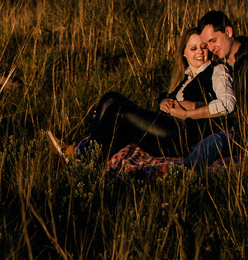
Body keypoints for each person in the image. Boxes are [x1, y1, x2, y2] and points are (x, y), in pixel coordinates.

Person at [46, 27, 235, 163]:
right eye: (193, 49)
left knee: (119, 112)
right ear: (184, 53)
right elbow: (166, 95)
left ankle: (80, 158)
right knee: (111, 98)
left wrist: (192, 107)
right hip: (166, 127)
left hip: (183, 135)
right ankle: (86, 148)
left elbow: (226, 103)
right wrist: (163, 101)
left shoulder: (217, 70)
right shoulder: (185, 76)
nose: (200, 53)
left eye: (203, 47)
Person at [182, 10, 248, 167]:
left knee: (210, 144)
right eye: (207, 44)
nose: (211, 48)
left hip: (243, 135)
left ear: (228, 31)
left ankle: (177, 174)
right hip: (216, 124)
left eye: (214, 40)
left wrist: (197, 108)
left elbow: (245, 111)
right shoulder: (222, 62)